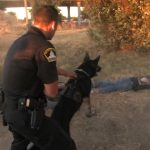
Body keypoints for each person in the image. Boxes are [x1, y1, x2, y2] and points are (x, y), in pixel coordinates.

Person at [2, 5, 77, 150]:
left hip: (9, 110)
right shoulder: (45, 47)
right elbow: (52, 93)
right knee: (66, 145)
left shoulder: (21, 42)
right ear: (53, 24)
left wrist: (66, 73)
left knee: (20, 144)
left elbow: (35, 66)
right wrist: (57, 85)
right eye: (57, 27)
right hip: (26, 115)